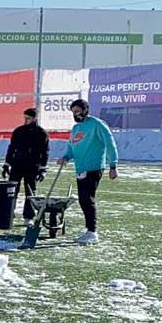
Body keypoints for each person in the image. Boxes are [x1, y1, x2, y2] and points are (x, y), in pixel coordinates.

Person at [60, 98, 119, 244]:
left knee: (87, 199)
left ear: (85, 110)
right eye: (73, 112)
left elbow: (110, 144)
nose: (76, 114)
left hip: (94, 167)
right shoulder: (76, 128)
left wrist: (113, 166)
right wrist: (66, 157)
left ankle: (92, 232)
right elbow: (71, 146)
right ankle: (89, 230)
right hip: (81, 168)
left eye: (78, 111)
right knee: (83, 200)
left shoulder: (97, 124)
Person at [4, 107, 51, 227]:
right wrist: (7, 164)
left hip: (32, 165)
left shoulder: (41, 133)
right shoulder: (18, 131)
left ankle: (28, 216)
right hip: (17, 164)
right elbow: (12, 148)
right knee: (12, 190)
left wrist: (42, 169)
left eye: (28, 118)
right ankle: (8, 213)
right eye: (24, 118)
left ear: (34, 118)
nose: (25, 120)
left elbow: (45, 152)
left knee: (30, 191)